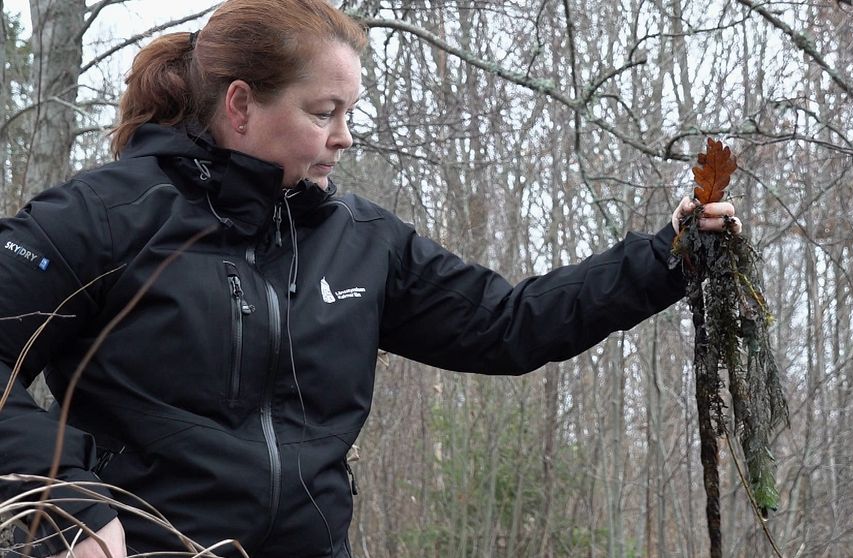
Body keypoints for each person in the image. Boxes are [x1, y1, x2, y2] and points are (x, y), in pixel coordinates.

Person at [0, 0, 741, 556]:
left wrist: (666, 256)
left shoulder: (360, 242)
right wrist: (64, 500)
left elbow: (509, 325)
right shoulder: (102, 219)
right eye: (324, 111)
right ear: (240, 106)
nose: (344, 135)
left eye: (349, 111)